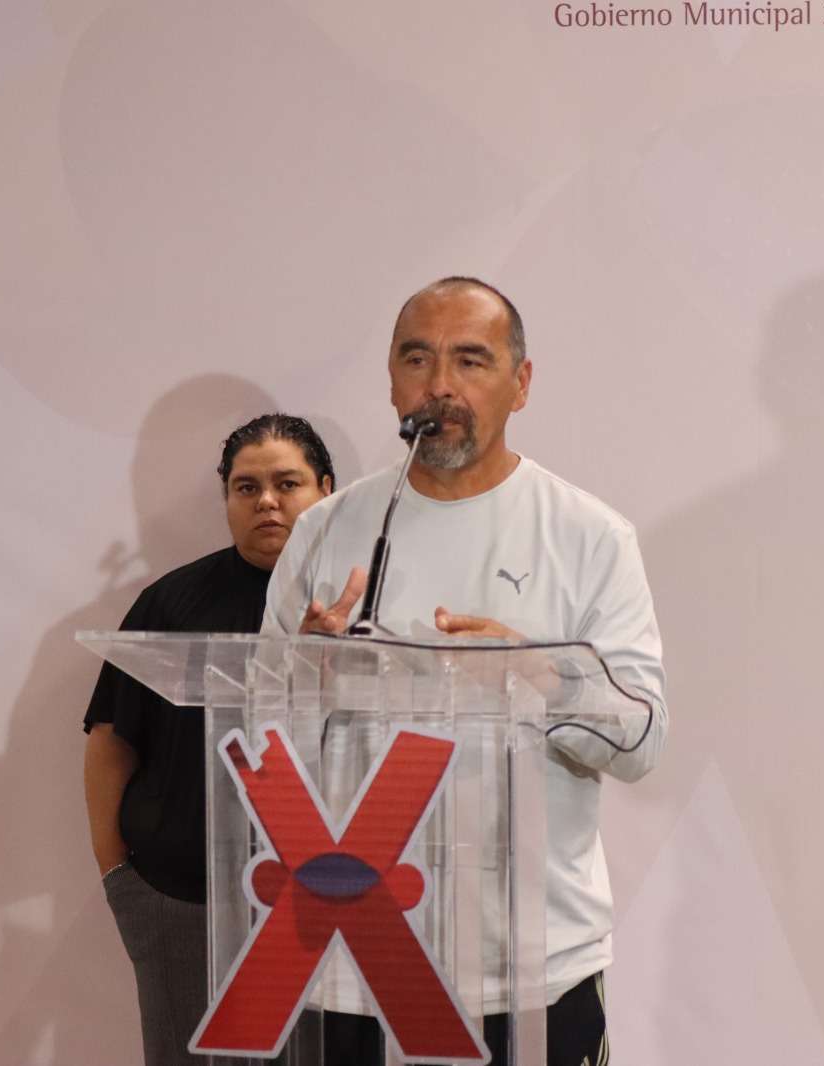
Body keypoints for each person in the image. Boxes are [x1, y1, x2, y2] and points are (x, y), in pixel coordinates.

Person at [262, 277, 668, 1066]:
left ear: (522, 383)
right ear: (391, 380)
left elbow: (641, 740)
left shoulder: (589, 536)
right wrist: (303, 680)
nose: (440, 385)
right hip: (353, 958)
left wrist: (540, 677)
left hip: (530, 965)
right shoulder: (328, 530)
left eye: (471, 360)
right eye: (418, 359)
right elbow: (260, 733)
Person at [83, 413, 336, 1066]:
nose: (267, 502)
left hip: (331, 906)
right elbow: (111, 739)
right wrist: (121, 879)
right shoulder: (171, 604)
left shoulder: (356, 606)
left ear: (326, 491)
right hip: (181, 902)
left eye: (287, 483)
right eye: (246, 488)